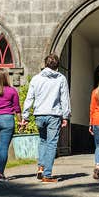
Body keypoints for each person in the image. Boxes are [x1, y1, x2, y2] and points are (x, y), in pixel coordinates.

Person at [20, 54, 70, 183]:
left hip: (39, 114)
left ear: (45, 64)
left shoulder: (36, 79)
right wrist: (66, 116)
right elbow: (64, 98)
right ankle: (47, 175)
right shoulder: (61, 79)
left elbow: (29, 98)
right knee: (51, 144)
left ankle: (41, 167)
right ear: (57, 66)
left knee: (42, 141)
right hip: (54, 115)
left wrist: (25, 116)